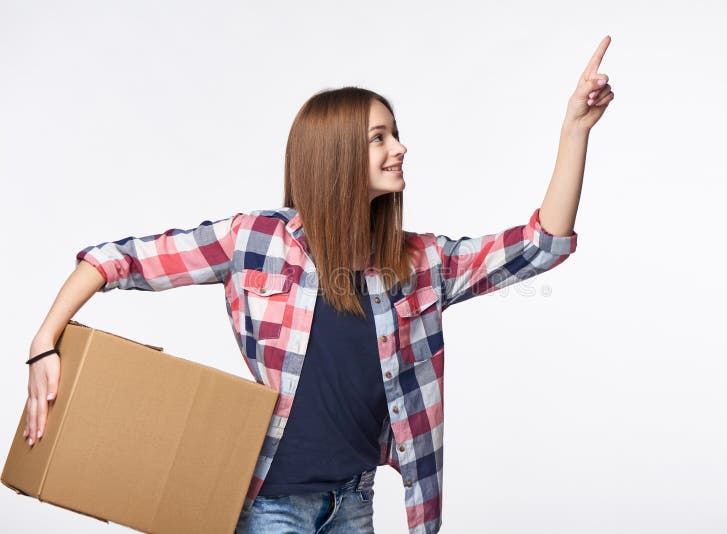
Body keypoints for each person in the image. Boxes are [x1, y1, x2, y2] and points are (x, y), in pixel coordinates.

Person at [24, 36, 614, 534]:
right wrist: (44, 343)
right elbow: (115, 261)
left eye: (395, 133)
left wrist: (574, 131)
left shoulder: (419, 262)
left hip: (353, 503)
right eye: (379, 137)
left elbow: (540, 246)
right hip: (269, 504)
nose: (400, 147)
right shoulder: (254, 240)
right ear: (333, 155)